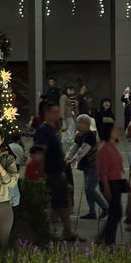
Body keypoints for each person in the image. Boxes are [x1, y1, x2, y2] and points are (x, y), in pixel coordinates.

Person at [35, 102, 80, 242]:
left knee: (61, 202)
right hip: (51, 172)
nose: (57, 114)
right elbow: (40, 152)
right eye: (55, 112)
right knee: (58, 202)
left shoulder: (53, 129)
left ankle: (66, 231)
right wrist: (43, 172)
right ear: (47, 113)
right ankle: (61, 232)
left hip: (57, 171)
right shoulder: (44, 130)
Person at [66, 114, 108, 220]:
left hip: (95, 165)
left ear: (87, 124)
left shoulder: (90, 135)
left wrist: (74, 159)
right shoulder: (79, 134)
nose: (78, 124)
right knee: (87, 189)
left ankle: (106, 207)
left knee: (89, 188)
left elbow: (84, 149)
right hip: (87, 165)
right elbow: (74, 146)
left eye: (81, 122)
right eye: (77, 122)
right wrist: (68, 157)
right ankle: (92, 211)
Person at [96, 123, 125, 245]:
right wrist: (106, 188)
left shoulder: (112, 146)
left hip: (116, 182)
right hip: (109, 183)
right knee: (116, 212)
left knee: (116, 212)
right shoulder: (104, 148)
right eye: (114, 129)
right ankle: (108, 240)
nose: (117, 130)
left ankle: (105, 237)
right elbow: (102, 171)